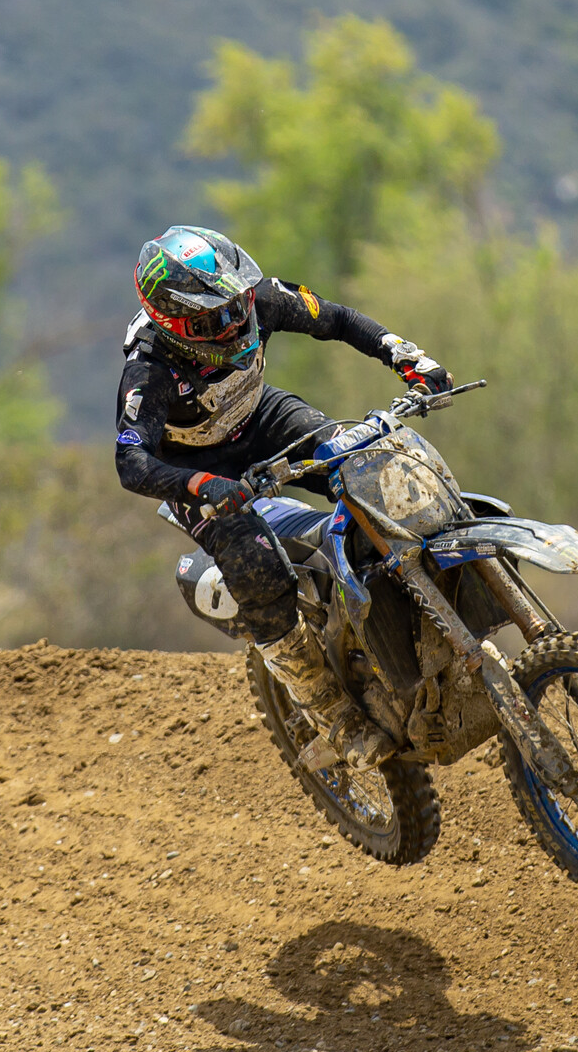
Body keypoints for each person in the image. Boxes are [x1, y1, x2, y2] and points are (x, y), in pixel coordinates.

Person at [113, 225, 451, 767]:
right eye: (214, 318)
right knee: (262, 575)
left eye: (238, 305)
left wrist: (405, 356)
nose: (235, 322)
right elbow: (130, 460)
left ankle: (406, 609)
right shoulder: (149, 368)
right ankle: (327, 711)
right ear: (175, 326)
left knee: (363, 466)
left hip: (260, 418)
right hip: (196, 470)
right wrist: (201, 485)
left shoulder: (259, 298)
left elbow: (337, 320)